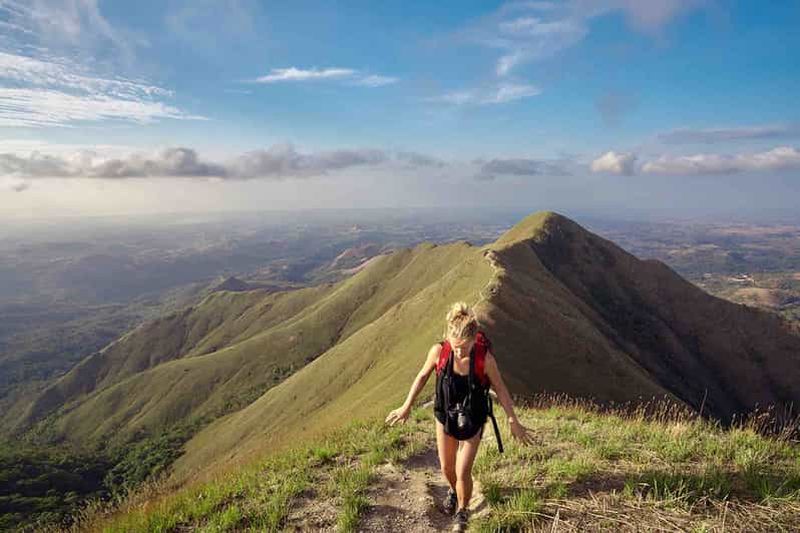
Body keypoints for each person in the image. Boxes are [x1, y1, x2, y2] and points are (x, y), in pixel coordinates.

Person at [385, 301, 536, 531]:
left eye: (464, 347)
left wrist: (513, 420)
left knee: (462, 470)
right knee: (447, 468)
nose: (458, 352)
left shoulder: (484, 360)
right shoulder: (439, 351)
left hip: (473, 418)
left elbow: (502, 389)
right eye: (454, 346)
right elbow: (422, 376)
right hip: (444, 415)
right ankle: (455, 491)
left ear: (475, 339)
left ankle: (462, 511)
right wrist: (406, 406)